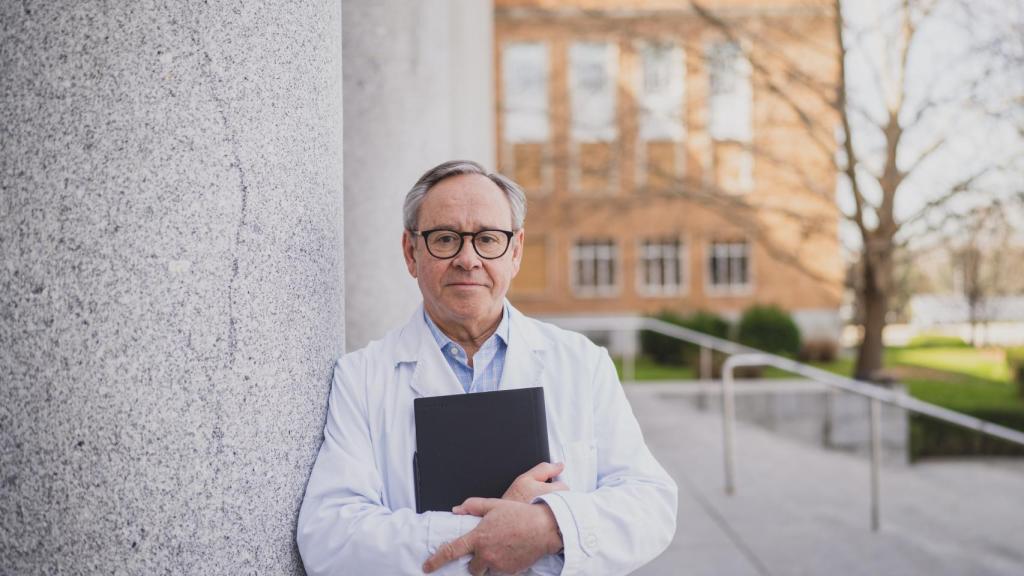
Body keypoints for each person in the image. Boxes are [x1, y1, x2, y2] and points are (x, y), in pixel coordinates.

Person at [296, 160, 677, 575]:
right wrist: (494, 534)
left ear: (515, 252)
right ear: (411, 252)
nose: (467, 258)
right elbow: (330, 536)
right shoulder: (362, 377)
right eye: (445, 239)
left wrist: (549, 525)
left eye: (488, 239)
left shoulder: (582, 363)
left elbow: (650, 504)